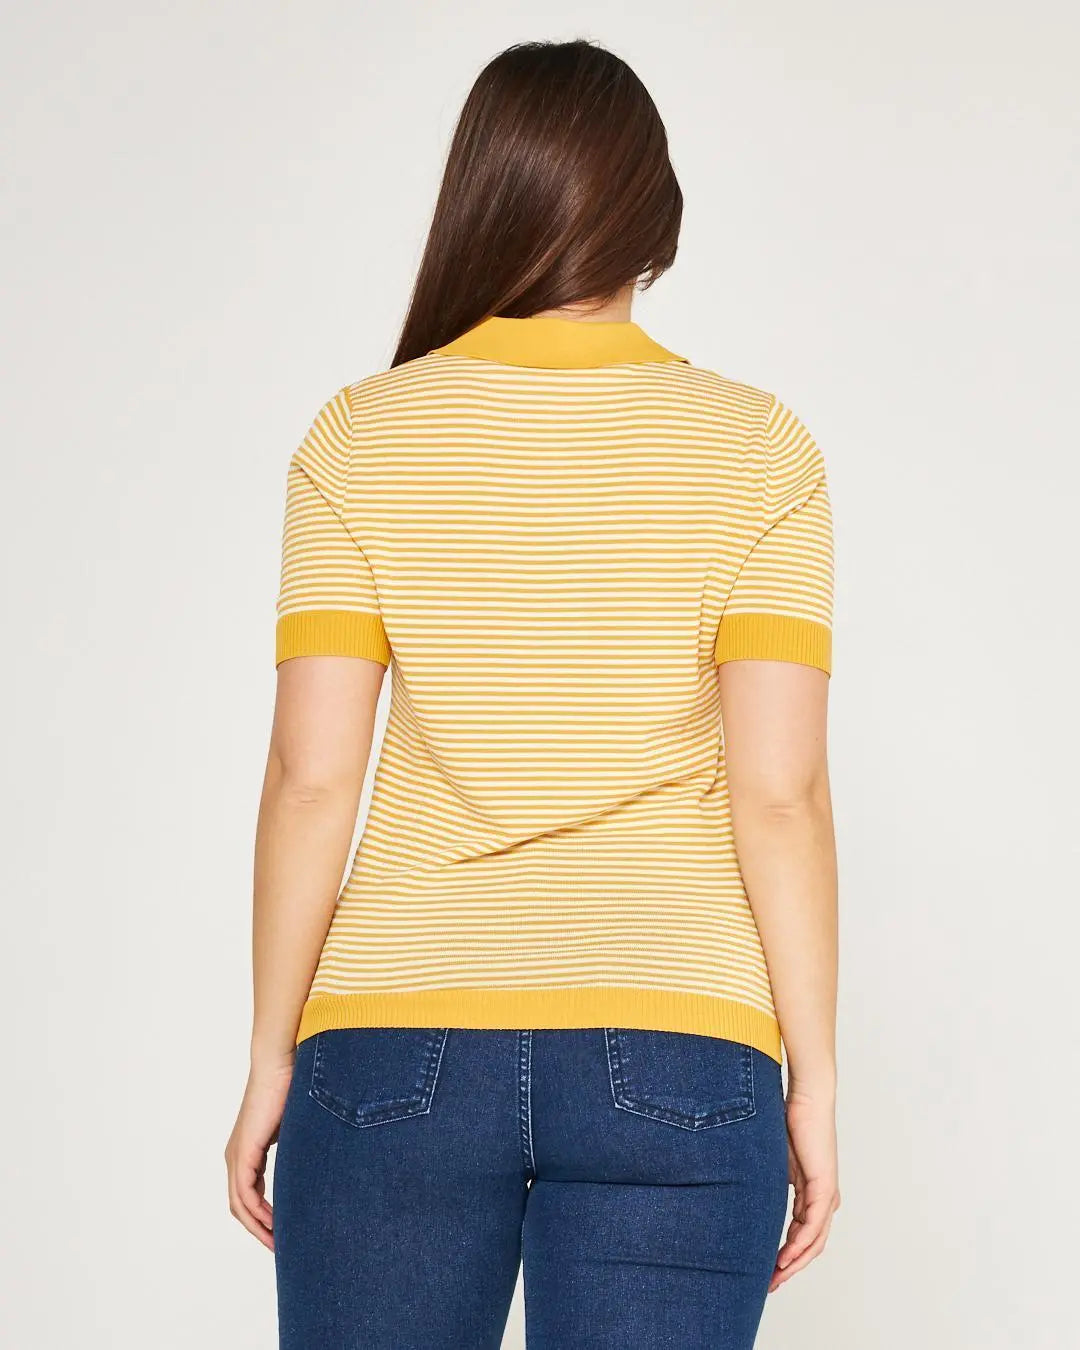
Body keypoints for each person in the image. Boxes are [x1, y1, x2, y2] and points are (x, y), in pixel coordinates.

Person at [225, 36, 840, 1350]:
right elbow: (781, 795)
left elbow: (311, 778)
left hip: (393, 1044)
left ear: (481, 198)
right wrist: (816, 1080)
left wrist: (272, 1054)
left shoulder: (361, 434)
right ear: (656, 220)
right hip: (682, 1042)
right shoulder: (759, 447)